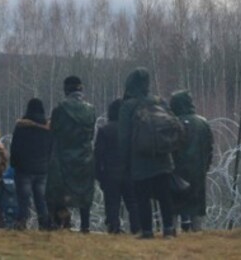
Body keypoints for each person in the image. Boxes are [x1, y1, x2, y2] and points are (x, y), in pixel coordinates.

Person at [118, 67, 176, 239]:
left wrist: (125, 162)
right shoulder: (160, 101)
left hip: (139, 159)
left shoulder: (127, 106)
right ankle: (168, 229)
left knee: (142, 197)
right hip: (163, 156)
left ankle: (147, 231)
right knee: (165, 195)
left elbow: (124, 137)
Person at [46, 76, 96, 232]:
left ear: (66, 90)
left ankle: (58, 223)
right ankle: (85, 226)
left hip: (63, 157)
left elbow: (53, 132)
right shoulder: (91, 110)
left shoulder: (59, 110)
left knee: (57, 191)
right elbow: (91, 134)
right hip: (85, 157)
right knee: (84, 193)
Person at [169, 90, 213, 232]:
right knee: (196, 206)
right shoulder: (202, 122)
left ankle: (172, 231)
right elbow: (209, 147)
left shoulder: (173, 123)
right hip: (198, 170)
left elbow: (169, 147)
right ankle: (197, 232)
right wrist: (205, 166)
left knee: (174, 205)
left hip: (176, 170)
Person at [94, 98, 139, 234]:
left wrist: (99, 176)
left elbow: (98, 155)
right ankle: (137, 228)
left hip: (110, 174)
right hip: (130, 172)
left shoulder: (104, 130)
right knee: (133, 203)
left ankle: (114, 228)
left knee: (112, 204)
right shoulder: (132, 130)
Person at [10, 98, 53, 230]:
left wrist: (14, 164)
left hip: (24, 169)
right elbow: (51, 148)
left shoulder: (21, 127)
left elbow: (15, 148)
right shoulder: (48, 128)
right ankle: (45, 225)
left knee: (23, 200)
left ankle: (22, 223)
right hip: (42, 170)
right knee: (41, 200)